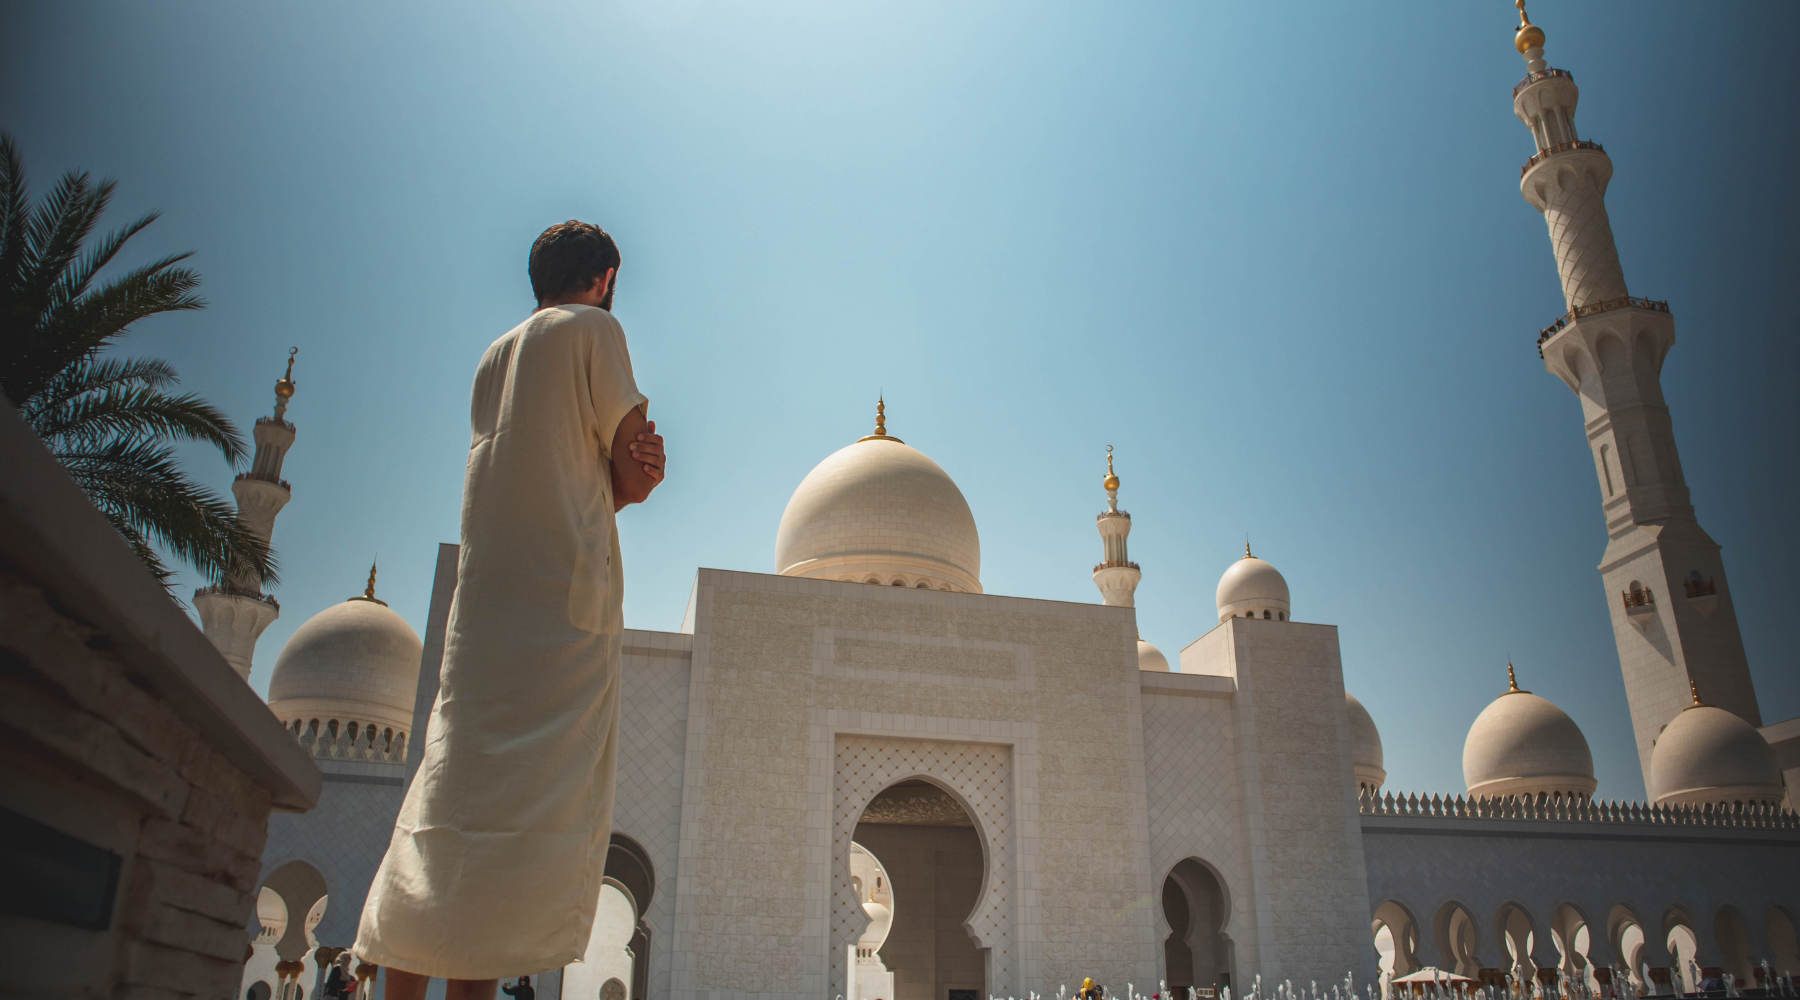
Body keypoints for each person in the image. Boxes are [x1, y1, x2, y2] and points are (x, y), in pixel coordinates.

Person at [354, 221, 667, 1000]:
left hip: (485, 614)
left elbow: (552, 467)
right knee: (521, 822)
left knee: (451, 798)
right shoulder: (596, 329)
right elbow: (634, 466)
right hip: (562, 614)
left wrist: (614, 470)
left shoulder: (496, 355)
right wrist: (642, 467)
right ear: (607, 276)